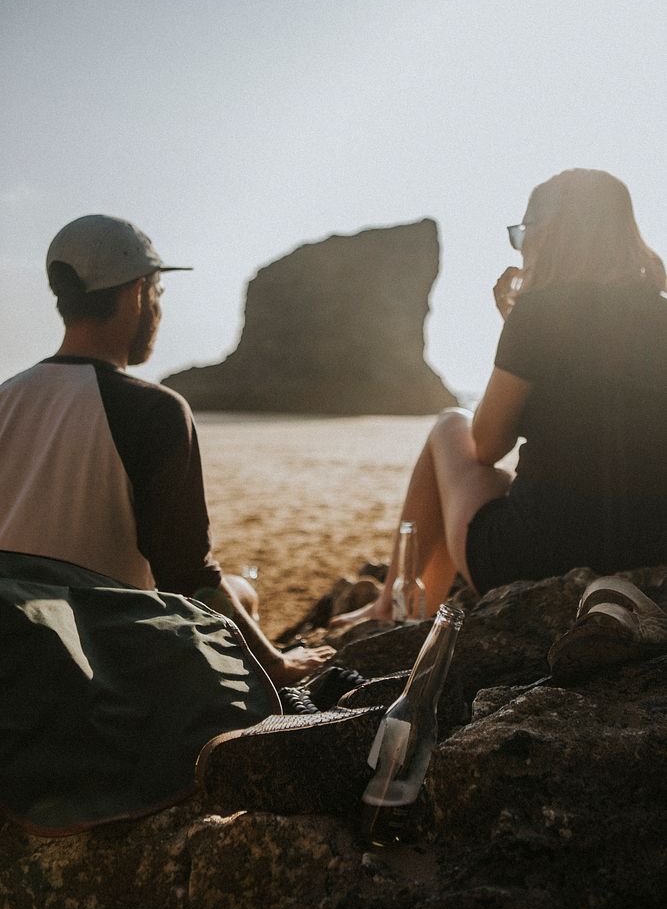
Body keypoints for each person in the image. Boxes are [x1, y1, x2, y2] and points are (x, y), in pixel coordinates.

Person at [0, 213, 334, 683]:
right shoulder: (153, 410)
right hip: (105, 660)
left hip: (12, 646)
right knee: (242, 594)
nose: (158, 306)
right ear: (138, 292)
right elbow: (189, 578)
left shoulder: (6, 398)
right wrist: (277, 664)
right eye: (158, 291)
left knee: (240, 588)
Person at [332, 169, 667, 626]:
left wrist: (514, 322)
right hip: (652, 544)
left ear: (549, 233)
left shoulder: (540, 312)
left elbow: (487, 446)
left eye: (523, 231)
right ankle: (406, 605)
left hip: (538, 556)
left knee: (449, 424)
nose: (522, 243)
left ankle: (399, 604)